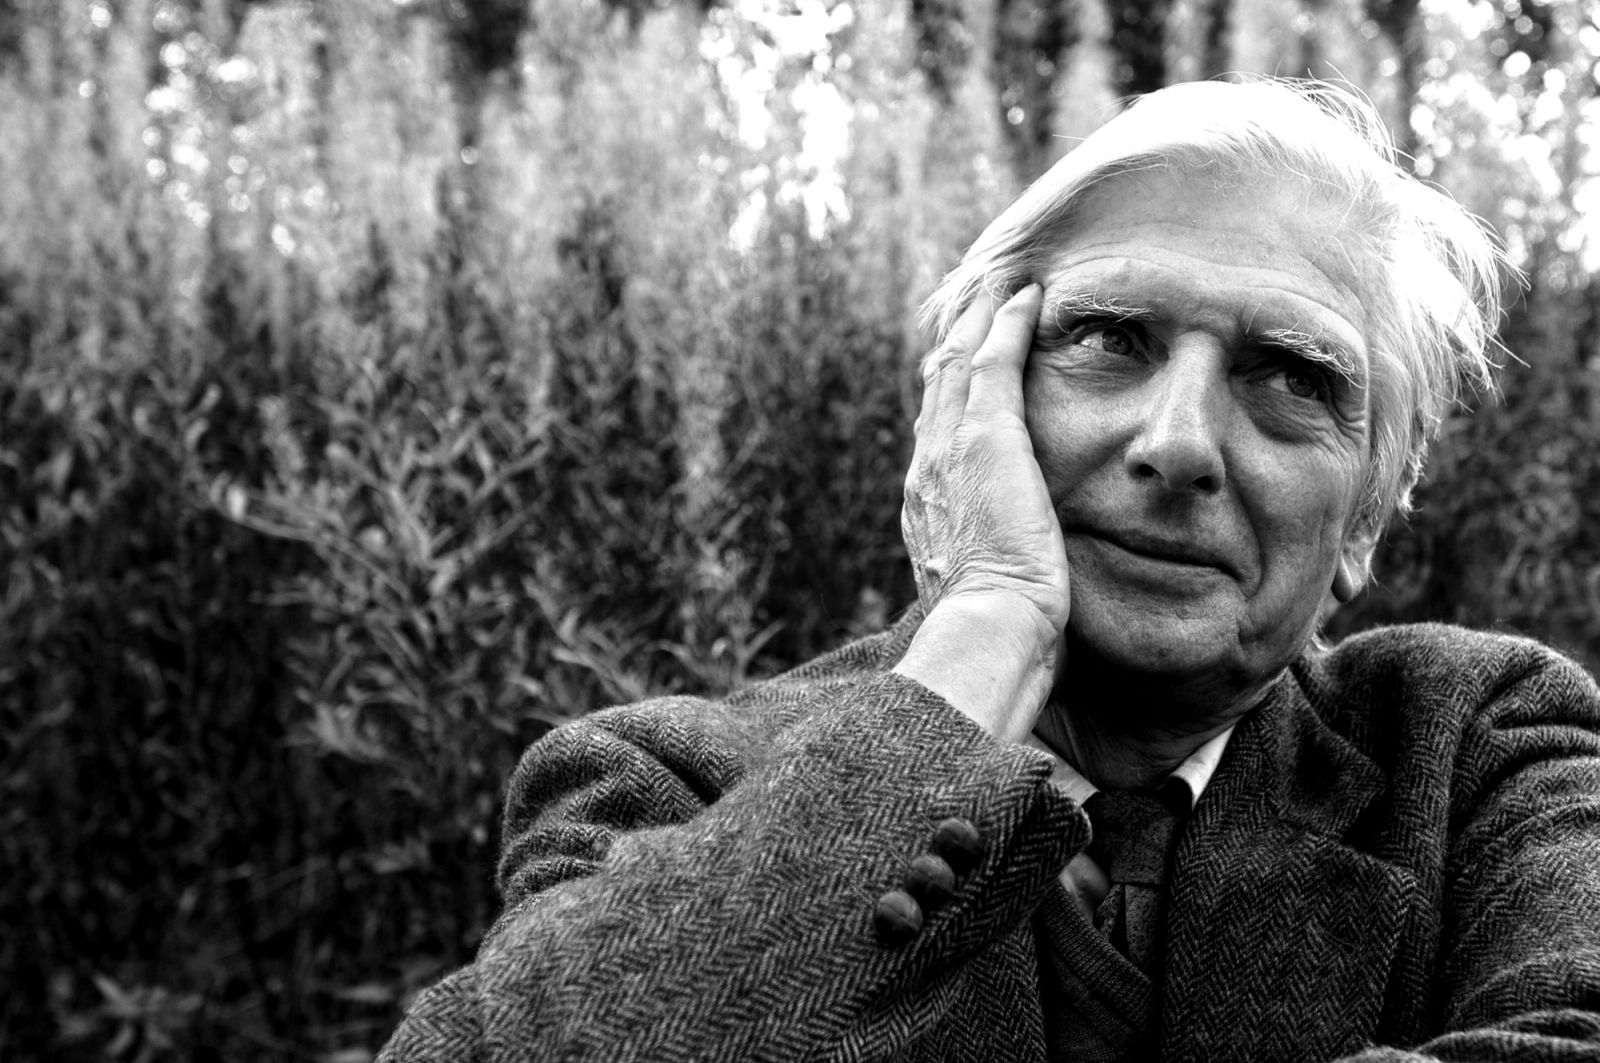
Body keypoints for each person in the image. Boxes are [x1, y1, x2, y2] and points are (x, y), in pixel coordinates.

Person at [380, 78, 1600, 1061]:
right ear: (964, 408)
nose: (1178, 443)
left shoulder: (1475, 749)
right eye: (1108, 339)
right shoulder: (664, 783)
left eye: (1291, 376)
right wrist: (991, 617)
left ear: (1365, 521)